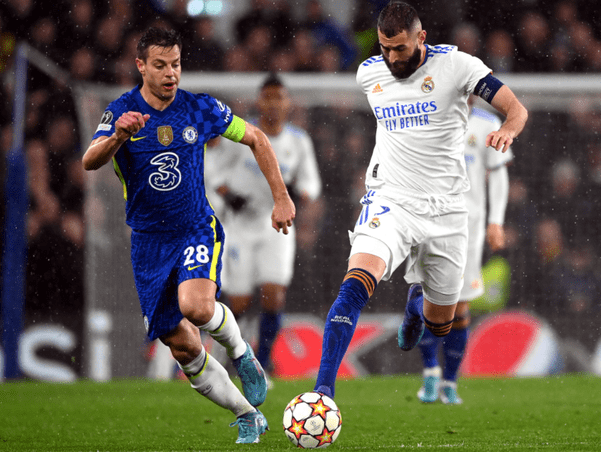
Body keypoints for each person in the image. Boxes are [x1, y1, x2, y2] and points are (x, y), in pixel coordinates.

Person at [82, 27, 295, 444]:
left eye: (175, 65)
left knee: (196, 308)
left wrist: (281, 197)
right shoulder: (121, 112)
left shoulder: (199, 109)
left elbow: (255, 137)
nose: (170, 74)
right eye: (160, 65)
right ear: (141, 66)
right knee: (184, 349)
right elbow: (90, 160)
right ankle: (246, 413)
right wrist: (119, 136)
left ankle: (241, 352)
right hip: (148, 243)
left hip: (196, 227)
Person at [312, 1, 528, 400]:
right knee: (355, 284)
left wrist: (509, 131)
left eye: (400, 48)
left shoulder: (458, 66)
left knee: (442, 323)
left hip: (447, 209)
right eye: (384, 48)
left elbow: (515, 109)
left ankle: (415, 306)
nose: (392, 58)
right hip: (390, 199)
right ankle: (322, 392)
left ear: (422, 37)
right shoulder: (369, 73)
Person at [206, 73, 322, 381]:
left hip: (277, 226)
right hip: (240, 226)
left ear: (288, 104)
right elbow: (213, 168)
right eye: (267, 97)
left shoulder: (298, 141)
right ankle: (236, 358)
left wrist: (296, 194)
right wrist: (228, 196)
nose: (273, 103)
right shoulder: (242, 134)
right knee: (240, 301)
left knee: (274, 294)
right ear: (259, 101)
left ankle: (266, 362)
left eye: (278, 97)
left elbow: (312, 184)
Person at [416, 97, 514, 405]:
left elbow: (498, 173)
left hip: (469, 229)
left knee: (459, 308)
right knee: (427, 299)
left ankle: (450, 382)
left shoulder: (487, 124)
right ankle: (430, 370)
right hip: (429, 221)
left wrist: (496, 222)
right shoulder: (424, 119)